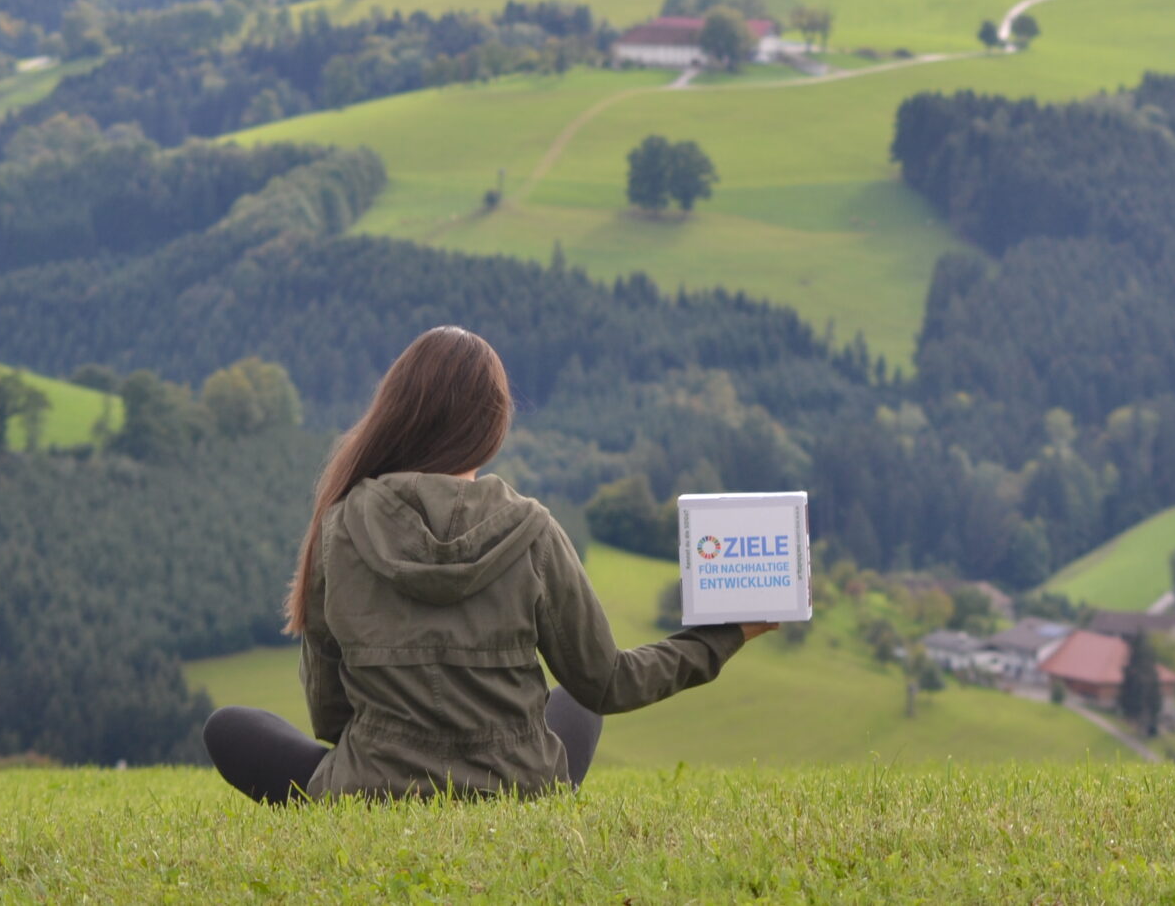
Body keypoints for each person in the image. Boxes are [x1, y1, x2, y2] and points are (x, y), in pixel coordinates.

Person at [203, 325, 771, 801]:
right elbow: (608, 684)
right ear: (492, 425)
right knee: (578, 692)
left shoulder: (340, 524)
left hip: (372, 786)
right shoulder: (533, 529)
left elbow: (331, 720)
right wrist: (722, 637)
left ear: (396, 411)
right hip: (518, 788)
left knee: (230, 729)